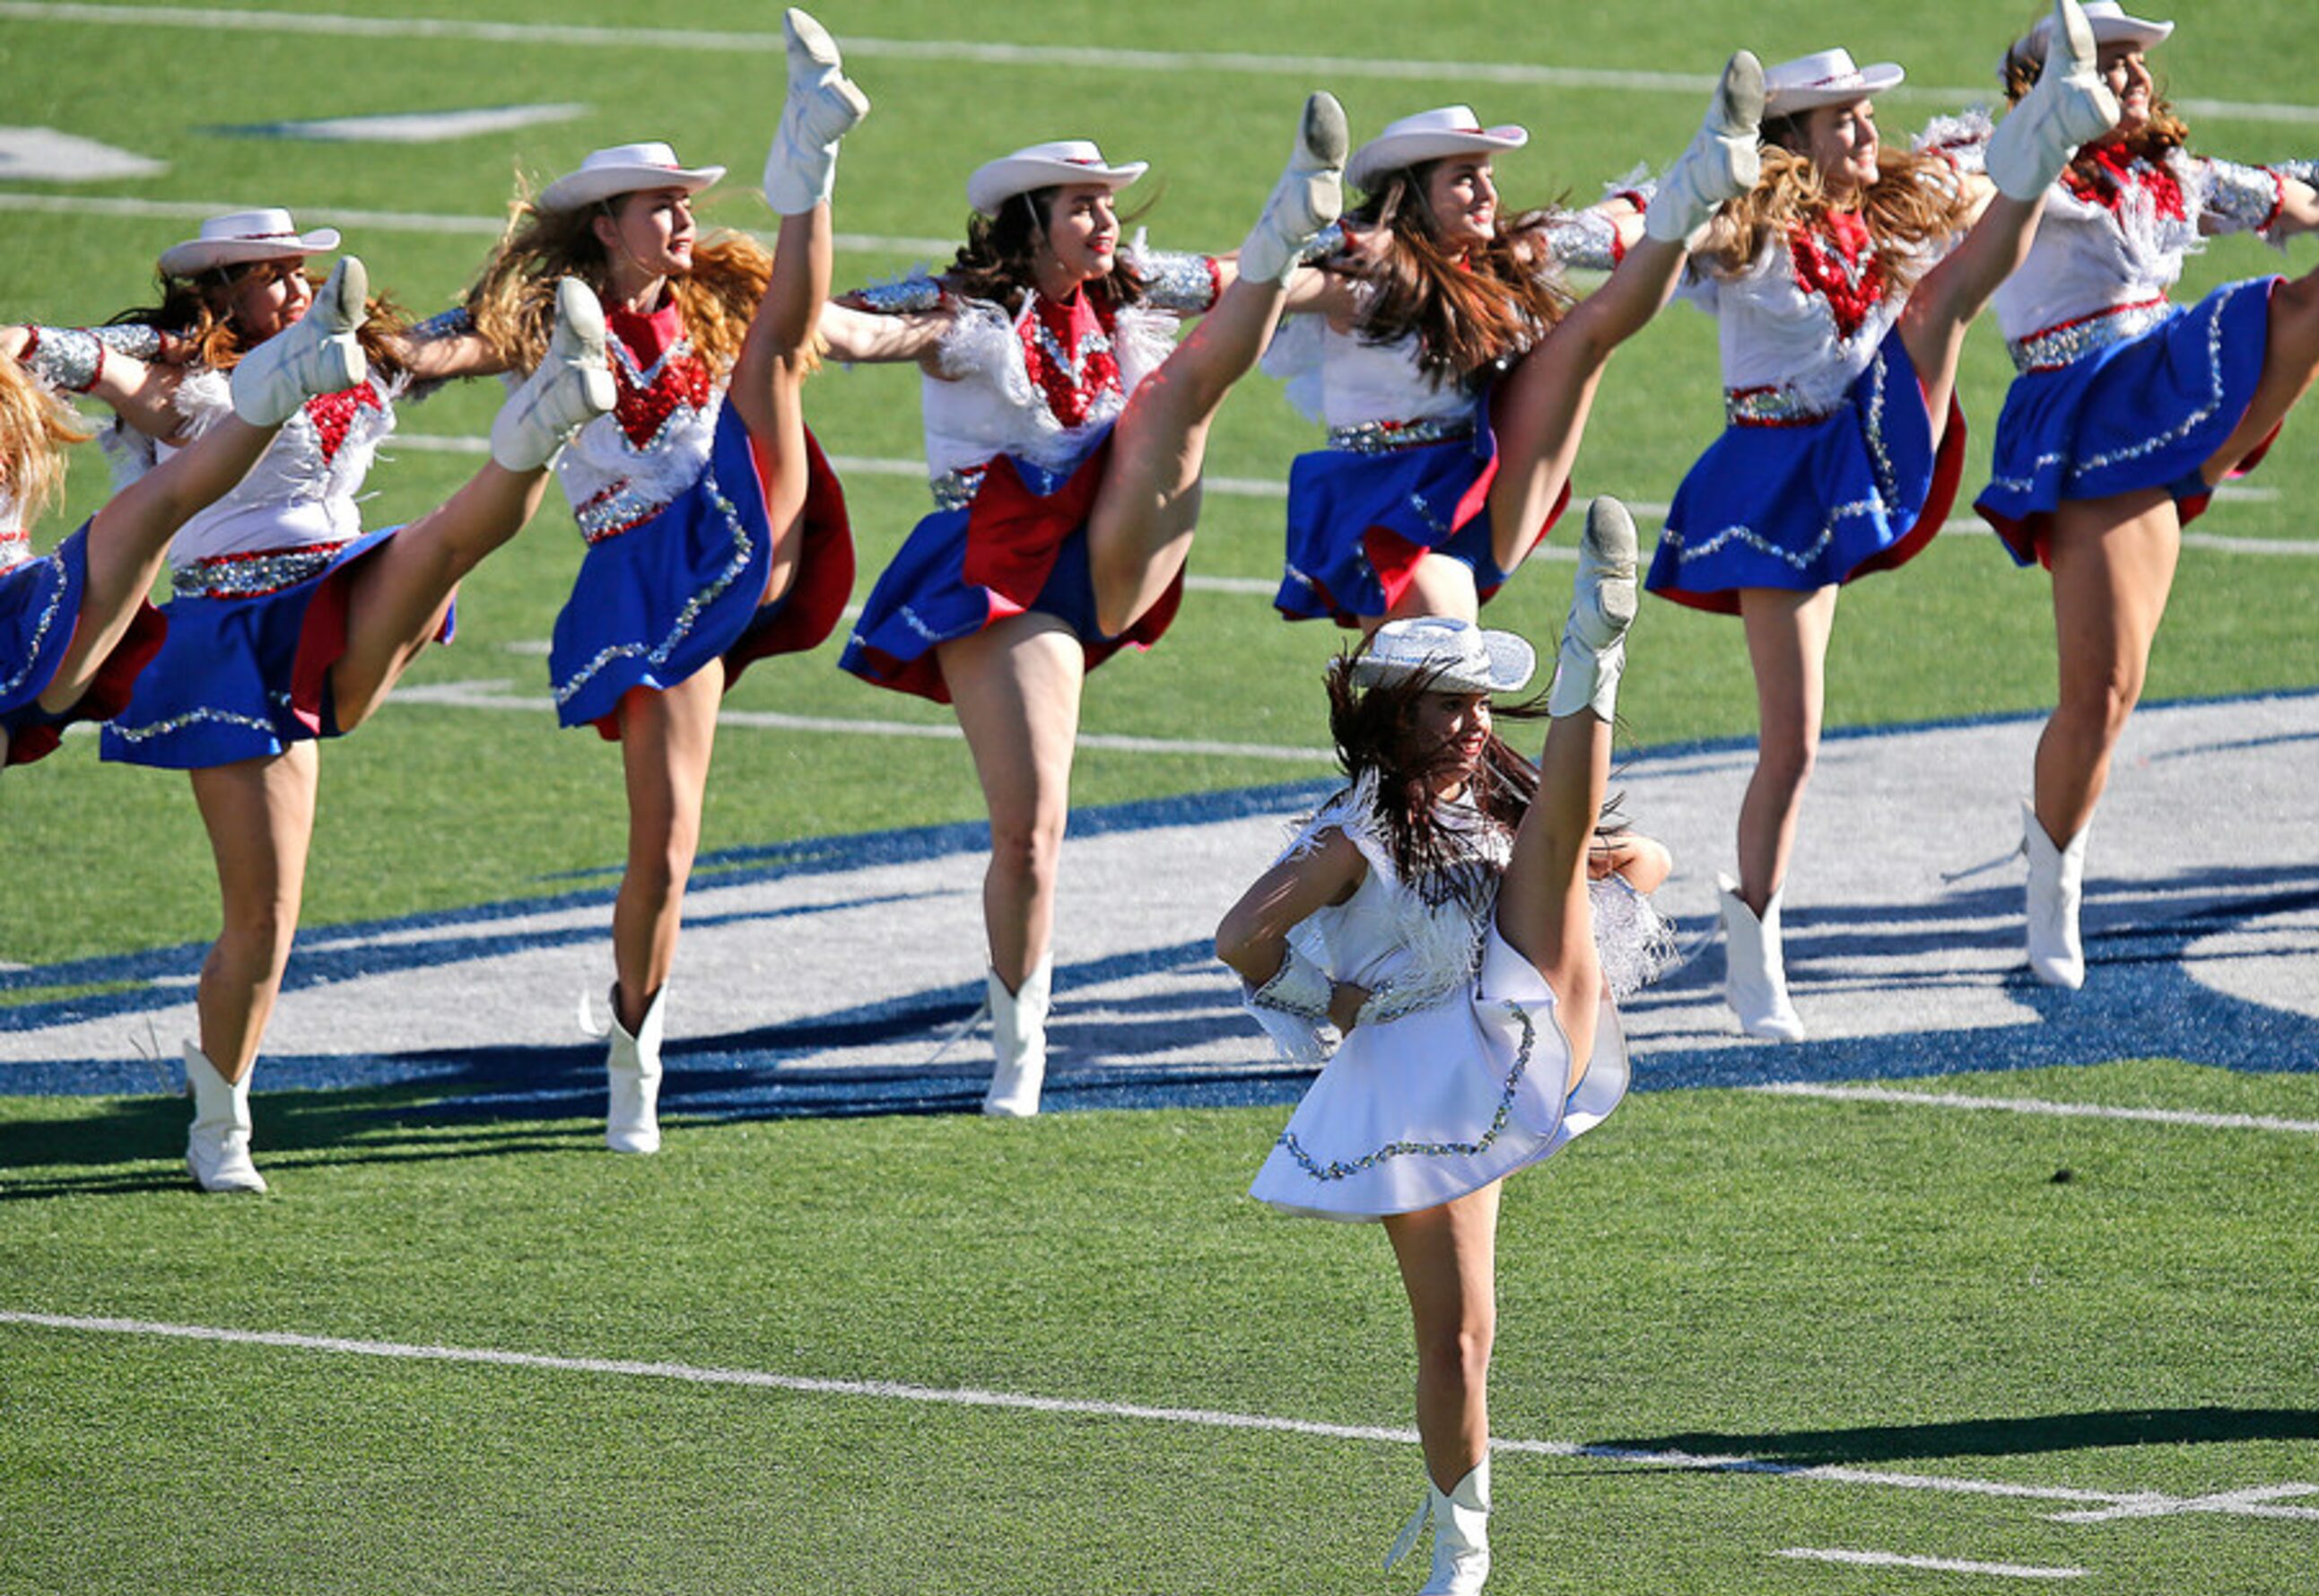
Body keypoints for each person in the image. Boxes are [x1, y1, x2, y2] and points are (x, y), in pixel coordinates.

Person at [1970, 4, 2319, 988]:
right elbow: (1968, 191)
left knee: (2314, 299)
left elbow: (2300, 200)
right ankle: (2053, 873)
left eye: (2141, 64)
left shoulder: (2173, 176)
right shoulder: (1995, 156)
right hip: (2083, 414)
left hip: (2174, 377)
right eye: (2114, 61)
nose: (2137, 78)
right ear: (2050, 73)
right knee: (2103, 695)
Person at [59, 215, 613, 1193]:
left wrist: (577, 297)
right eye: (271, 278)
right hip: (231, 629)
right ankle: (220, 1113)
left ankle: (544, 427)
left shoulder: (355, 357)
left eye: (301, 272)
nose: (296, 287)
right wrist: (42, 349)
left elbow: (468, 339)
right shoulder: (182, 386)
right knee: (265, 919)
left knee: (440, 544)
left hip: (340, 583)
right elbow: (80, 364)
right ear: (218, 292)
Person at [822, 95, 1350, 1115]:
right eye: (1082, 207)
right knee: (1030, 831)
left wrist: (1364, 274)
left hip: (1118, 533)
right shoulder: (960, 314)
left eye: (1109, 204)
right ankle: (1018, 1032)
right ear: (1030, 224)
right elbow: (843, 329)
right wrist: (795, 288)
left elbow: (1255, 296)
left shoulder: (1133, 294)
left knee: (1176, 391)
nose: (1106, 223)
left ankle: (1289, 210)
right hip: (1004, 569)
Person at [1216, 498, 1671, 1596]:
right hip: (1421, 1075)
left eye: (1481, 701)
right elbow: (1241, 940)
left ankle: (1594, 654)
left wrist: (1606, 873)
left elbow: (1643, 860)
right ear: (1394, 720)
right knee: (1460, 1337)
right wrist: (1338, 999)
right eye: (1450, 706)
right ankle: (1460, 1538)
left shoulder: (1503, 806)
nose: (1474, 722)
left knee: (1559, 852)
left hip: (1528, 1012)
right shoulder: (1352, 836)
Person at [429, 10, 867, 1150]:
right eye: (659, 208)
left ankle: (809, 150)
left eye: (683, 204)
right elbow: (444, 353)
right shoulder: (541, 326)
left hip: (736, 521)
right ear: (605, 229)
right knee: (665, 850)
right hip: (647, 575)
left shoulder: (713, 311)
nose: (681, 221)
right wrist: (356, 348)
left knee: (774, 351)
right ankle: (637, 1046)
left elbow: (803, 325)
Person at [1645, 6, 2119, 1040]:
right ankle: (1754, 941)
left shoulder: (1896, 211)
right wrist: (1707, 178)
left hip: (1869, 438)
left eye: (1866, 116)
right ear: (1793, 143)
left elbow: (1977, 207)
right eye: (1842, 123)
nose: (1866, 135)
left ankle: (2054, 127)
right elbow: (1667, 236)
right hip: (1776, 478)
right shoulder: (1750, 236)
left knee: (1942, 300)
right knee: (1794, 744)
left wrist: (2028, 147)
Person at [1262, 59, 1765, 627]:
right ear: (1411, 197)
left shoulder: (1504, 257)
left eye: (1487, 175)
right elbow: (1249, 281)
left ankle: (1694, 192)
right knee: (1424, 686)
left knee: (1586, 342)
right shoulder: (1360, 279)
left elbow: (1612, 225)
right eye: (1463, 177)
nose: (1486, 191)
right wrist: (1305, 238)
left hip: (1481, 491)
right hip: (1384, 511)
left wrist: (1697, 214)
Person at [1, 314, 361, 772]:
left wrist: (31, 337)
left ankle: (281, 389)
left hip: (22, 605)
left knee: (146, 515)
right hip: (27, 624)